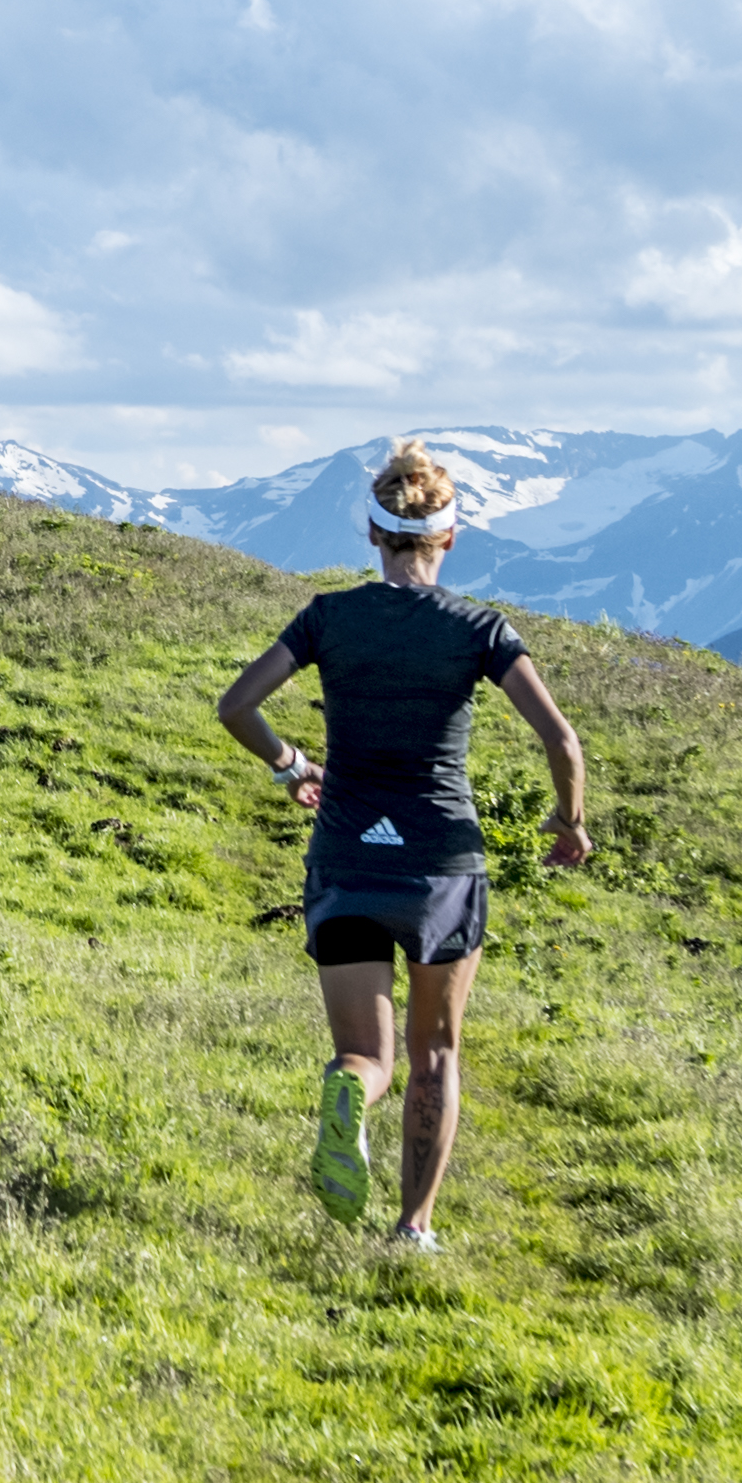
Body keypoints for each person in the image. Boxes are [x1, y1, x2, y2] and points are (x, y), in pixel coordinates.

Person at [212, 439, 594, 1249]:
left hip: (347, 856)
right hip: (440, 866)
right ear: (449, 538)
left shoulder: (328, 618)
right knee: (435, 1055)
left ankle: (351, 1089)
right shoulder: (480, 630)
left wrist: (291, 766)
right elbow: (562, 743)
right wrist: (569, 822)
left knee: (367, 1053)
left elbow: (236, 706)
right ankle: (412, 1227)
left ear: (374, 536)